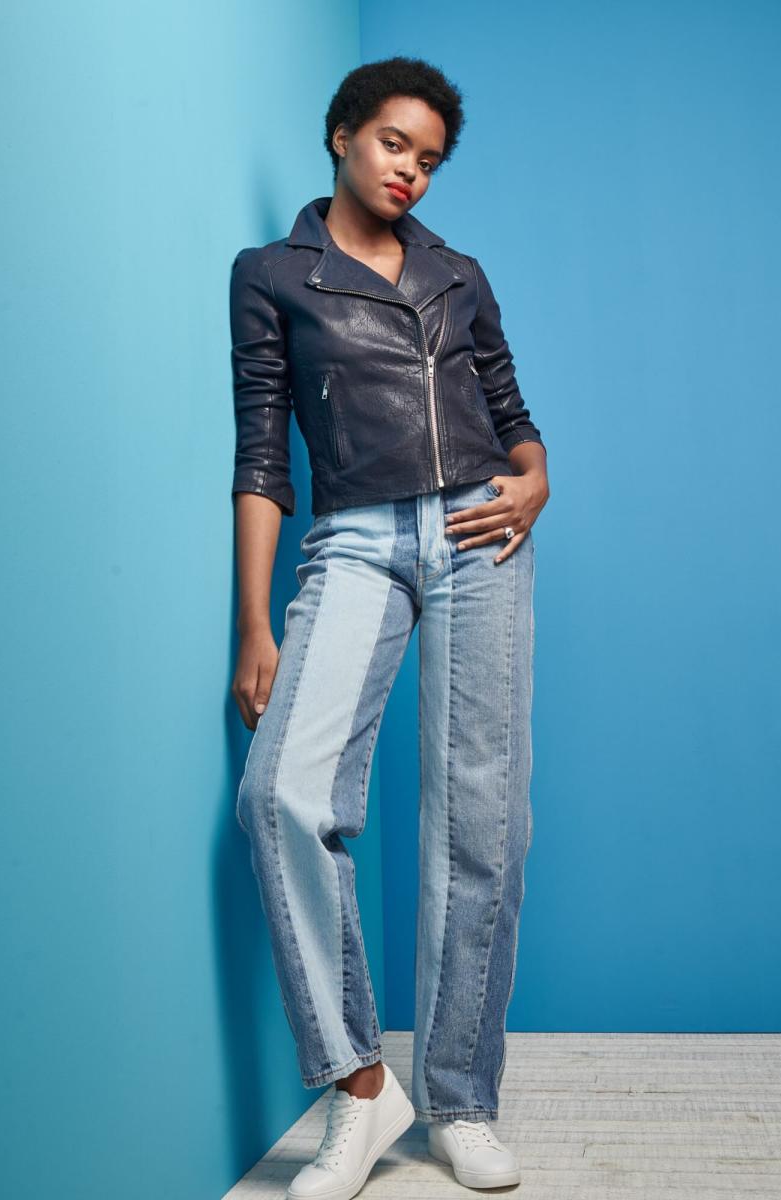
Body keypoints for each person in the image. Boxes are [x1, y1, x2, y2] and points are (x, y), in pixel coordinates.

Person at [229, 55, 550, 1198]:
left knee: (483, 822)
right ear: (340, 137)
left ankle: (460, 1101)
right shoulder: (276, 274)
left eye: (427, 156)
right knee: (280, 794)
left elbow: (509, 406)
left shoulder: (458, 274)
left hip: (478, 533)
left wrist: (537, 476)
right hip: (357, 538)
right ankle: (362, 1091)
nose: (409, 168)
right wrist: (254, 624)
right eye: (392, 144)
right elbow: (262, 452)